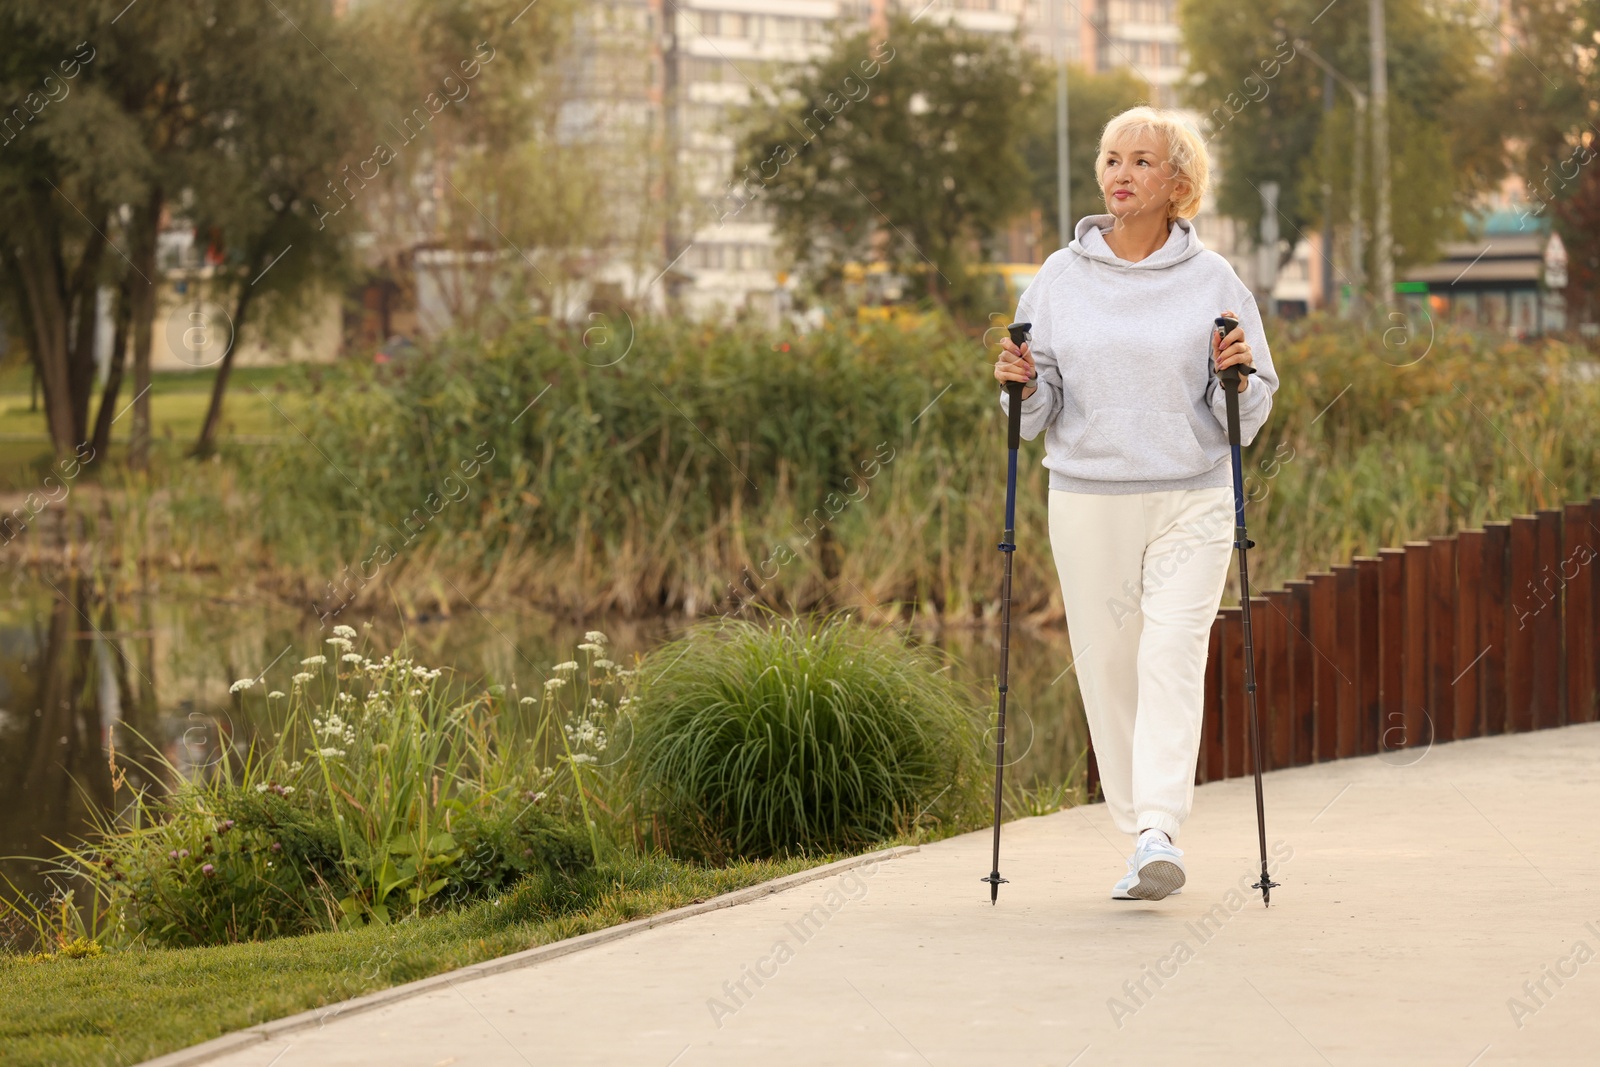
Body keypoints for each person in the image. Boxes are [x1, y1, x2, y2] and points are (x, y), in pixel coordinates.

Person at [992, 105, 1279, 901]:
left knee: (1171, 654)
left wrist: (1241, 375)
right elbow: (1036, 412)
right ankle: (1136, 827)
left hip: (1192, 496)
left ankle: (1159, 828)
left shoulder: (1215, 280)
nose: (1121, 173)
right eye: (1112, 158)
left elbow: (1248, 418)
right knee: (1110, 669)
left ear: (1178, 183)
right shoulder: (1059, 276)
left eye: (1142, 162)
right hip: (1089, 498)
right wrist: (1018, 385)